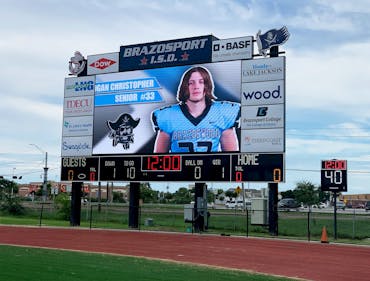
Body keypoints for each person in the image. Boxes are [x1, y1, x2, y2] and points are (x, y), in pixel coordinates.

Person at [151, 66, 240, 153]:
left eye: (201, 82)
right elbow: (159, 160)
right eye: (191, 83)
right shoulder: (168, 116)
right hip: (179, 168)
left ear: (207, 86)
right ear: (185, 87)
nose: (196, 86)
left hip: (213, 167)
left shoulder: (222, 113)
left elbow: (231, 158)